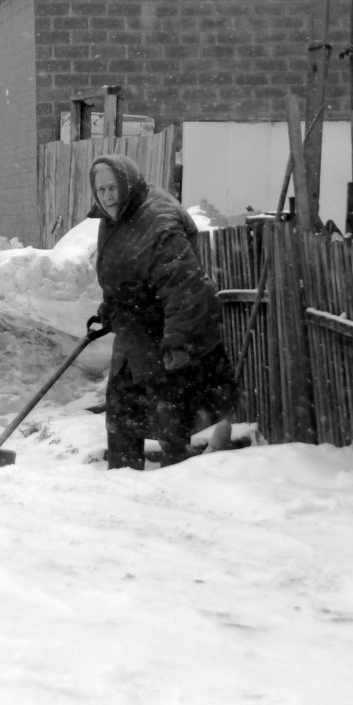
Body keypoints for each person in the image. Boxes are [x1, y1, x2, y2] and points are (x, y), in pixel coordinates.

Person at [86, 154, 237, 470]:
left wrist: (177, 341)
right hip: (134, 329)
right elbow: (124, 271)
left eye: (113, 187)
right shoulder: (118, 216)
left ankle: (179, 482)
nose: (108, 196)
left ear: (127, 184)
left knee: (170, 414)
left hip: (164, 329)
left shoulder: (158, 224)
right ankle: (123, 476)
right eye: (101, 190)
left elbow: (184, 288)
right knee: (122, 408)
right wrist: (111, 307)